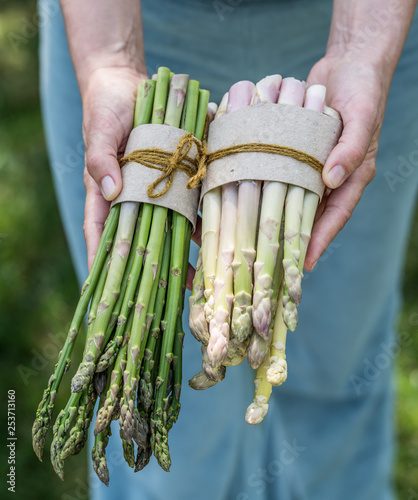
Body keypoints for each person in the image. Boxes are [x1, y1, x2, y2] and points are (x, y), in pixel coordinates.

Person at [39, 0, 418, 498]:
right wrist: (110, 60)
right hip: (132, 26)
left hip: (365, 22)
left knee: (339, 376)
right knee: (183, 448)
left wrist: (360, 48)